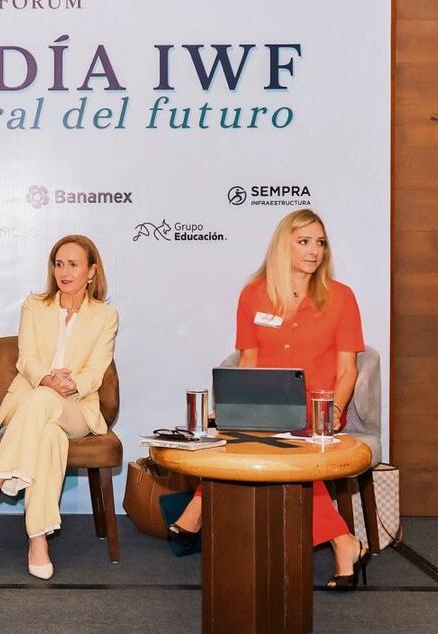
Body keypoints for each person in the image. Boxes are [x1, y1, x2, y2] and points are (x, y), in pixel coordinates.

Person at [168, 209, 369, 590]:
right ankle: (345, 542)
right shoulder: (253, 294)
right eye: (304, 242)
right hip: (265, 407)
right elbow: (249, 361)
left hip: (318, 410)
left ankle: (196, 511)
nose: (314, 251)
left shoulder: (341, 298)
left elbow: (348, 371)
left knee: (289, 446)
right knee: (235, 436)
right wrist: (234, 407)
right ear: (283, 245)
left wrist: (335, 410)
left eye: (320, 243)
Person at [0, 235, 119, 580]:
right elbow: (27, 359)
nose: (64, 271)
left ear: (91, 271)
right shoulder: (35, 305)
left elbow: (97, 369)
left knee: (49, 405)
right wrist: (47, 379)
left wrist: (71, 383)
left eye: (73, 264)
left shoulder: (105, 316)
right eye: (58, 263)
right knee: (49, 436)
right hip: (32, 400)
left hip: (77, 407)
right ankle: (38, 540)